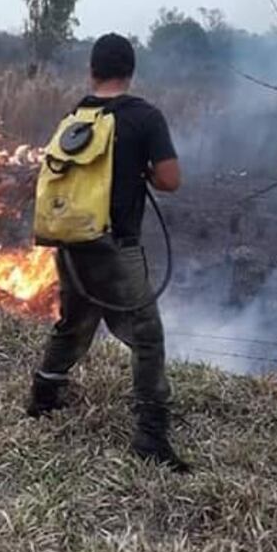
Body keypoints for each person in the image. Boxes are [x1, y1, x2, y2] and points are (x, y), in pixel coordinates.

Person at [26, 33, 190, 473]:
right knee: (147, 336)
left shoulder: (75, 117)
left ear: (92, 71)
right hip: (116, 246)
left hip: (71, 241)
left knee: (75, 320)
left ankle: (43, 395)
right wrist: (146, 173)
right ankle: (151, 436)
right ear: (130, 72)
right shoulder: (145, 117)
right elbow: (171, 180)